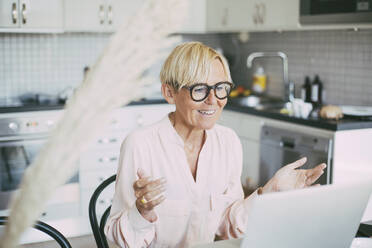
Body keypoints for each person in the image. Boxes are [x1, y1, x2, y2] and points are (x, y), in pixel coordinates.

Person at [105, 42, 326, 248]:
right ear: (169, 93)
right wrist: (142, 211)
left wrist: (270, 191)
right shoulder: (141, 145)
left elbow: (230, 225)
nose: (213, 100)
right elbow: (117, 239)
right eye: (199, 89)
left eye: (220, 87)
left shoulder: (228, 142)